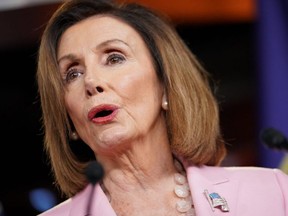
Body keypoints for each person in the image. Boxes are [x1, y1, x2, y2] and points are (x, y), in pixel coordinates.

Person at [36, 0, 288, 215]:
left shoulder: (272, 193)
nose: (91, 82)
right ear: (68, 119)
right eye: (72, 74)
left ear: (166, 87)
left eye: (114, 58)